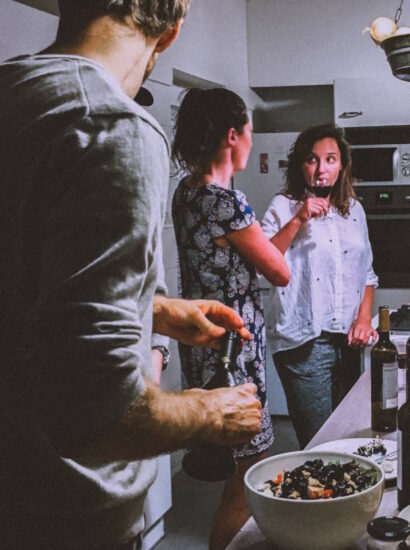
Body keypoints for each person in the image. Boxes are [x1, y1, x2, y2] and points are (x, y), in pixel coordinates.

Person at [0, 2, 264, 548]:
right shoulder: (110, 124)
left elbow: (26, 281)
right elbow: (97, 412)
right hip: (65, 514)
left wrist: (160, 311)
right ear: (170, 32)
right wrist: (214, 409)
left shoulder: (14, 93)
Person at [171, 87, 289, 549]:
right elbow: (277, 271)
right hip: (234, 354)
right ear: (232, 135)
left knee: (236, 468)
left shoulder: (187, 194)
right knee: (246, 473)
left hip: (203, 348)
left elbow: (254, 258)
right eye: (250, 134)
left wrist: (292, 222)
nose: (252, 144)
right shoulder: (228, 203)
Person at [261, 124, 378, 448]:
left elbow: (366, 271)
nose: (321, 169)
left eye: (330, 159)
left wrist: (363, 319)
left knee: (350, 439)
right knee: (319, 444)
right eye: (313, 160)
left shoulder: (354, 210)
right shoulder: (282, 206)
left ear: (342, 165)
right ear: (302, 165)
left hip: (349, 344)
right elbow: (265, 264)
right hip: (303, 341)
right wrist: (298, 219)